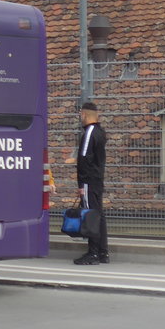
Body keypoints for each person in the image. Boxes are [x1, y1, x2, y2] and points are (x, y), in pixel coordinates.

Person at [66, 101, 108, 265]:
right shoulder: (100, 132)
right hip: (97, 180)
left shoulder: (89, 132)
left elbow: (83, 158)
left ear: (83, 114)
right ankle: (103, 253)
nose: (80, 117)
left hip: (89, 181)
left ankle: (93, 254)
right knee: (98, 215)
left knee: (91, 215)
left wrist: (81, 185)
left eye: (80, 115)